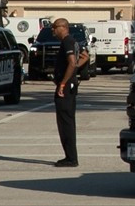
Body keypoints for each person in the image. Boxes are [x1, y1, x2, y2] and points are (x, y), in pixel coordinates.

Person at [51, 18, 89, 167]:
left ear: (63, 27)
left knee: (65, 122)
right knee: (67, 121)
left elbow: (72, 62)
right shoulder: (74, 41)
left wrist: (63, 83)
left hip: (66, 88)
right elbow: (85, 56)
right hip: (71, 85)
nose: (53, 30)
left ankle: (71, 158)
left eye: (54, 27)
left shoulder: (67, 41)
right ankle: (70, 156)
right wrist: (74, 70)